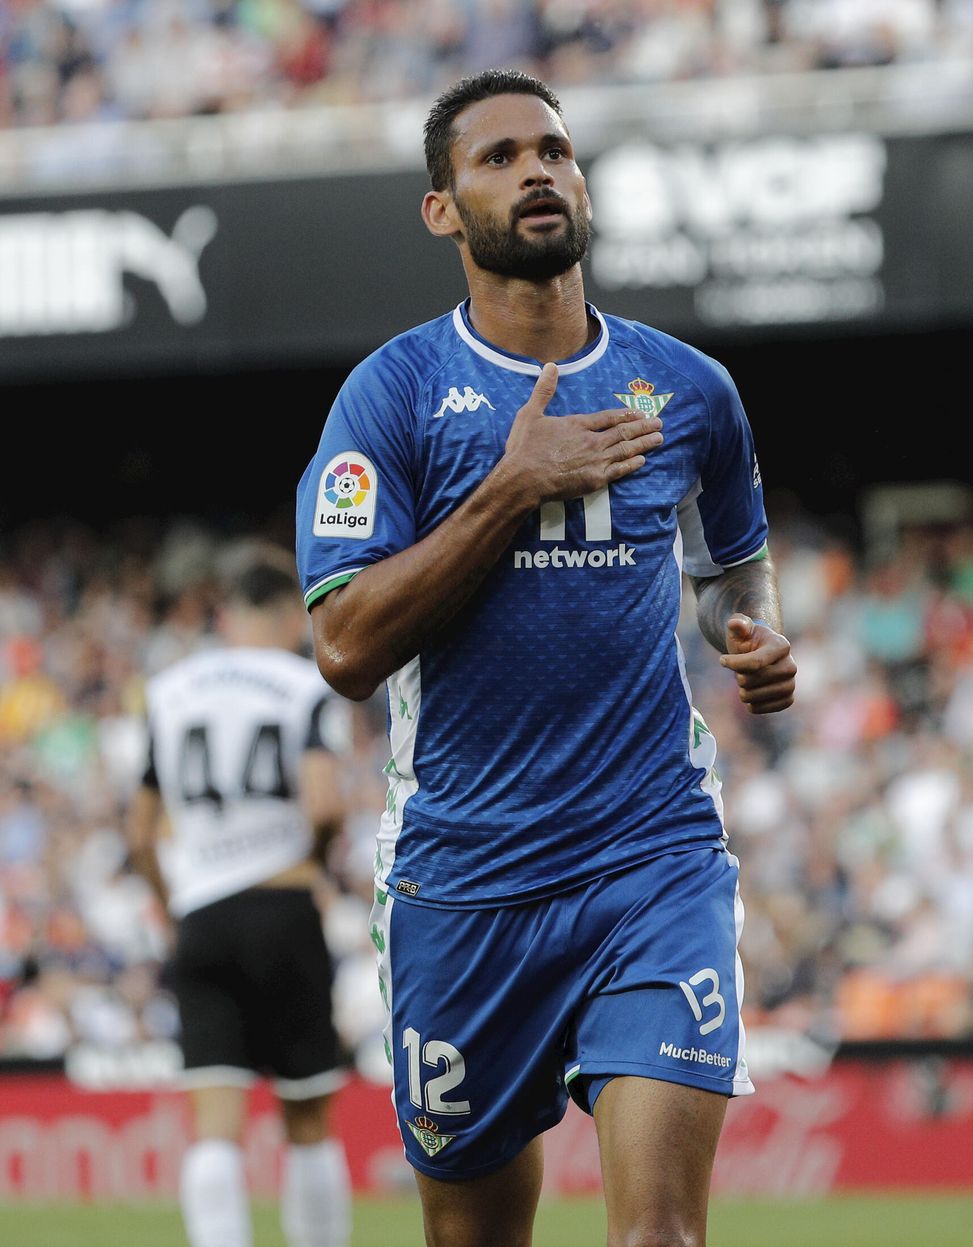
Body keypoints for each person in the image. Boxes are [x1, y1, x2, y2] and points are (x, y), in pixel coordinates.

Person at [293, 68, 796, 1247]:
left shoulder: (691, 390)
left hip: (653, 856)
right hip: (463, 877)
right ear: (441, 207)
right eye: (499, 156)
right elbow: (345, 644)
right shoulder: (392, 396)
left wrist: (754, 634)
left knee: (659, 1234)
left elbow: (733, 567)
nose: (536, 171)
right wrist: (511, 486)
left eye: (554, 151)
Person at [128, 551, 352, 1247]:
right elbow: (324, 803)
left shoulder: (169, 690)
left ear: (228, 615)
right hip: (281, 904)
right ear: (291, 613)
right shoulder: (302, 682)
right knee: (309, 1123)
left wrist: (171, 903)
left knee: (213, 1129)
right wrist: (310, 867)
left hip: (202, 912)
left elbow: (138, 833)